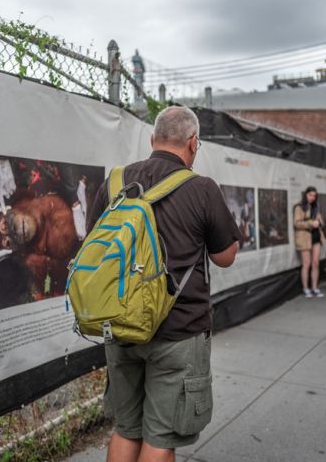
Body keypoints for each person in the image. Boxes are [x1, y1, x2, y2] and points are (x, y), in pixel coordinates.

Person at [86, 106, 240, 462]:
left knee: (126, 428)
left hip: (121, 324)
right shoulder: (201, 188)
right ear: (193, 143)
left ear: (152, 139)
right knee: (160, 436)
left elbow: (93, 245)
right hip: (179, 332)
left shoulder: (115, 181)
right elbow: (225, 256)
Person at [294, 186, 325, 298]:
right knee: (306, 264)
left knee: (315, 263)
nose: (312, 197)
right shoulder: (299, 207)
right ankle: (306, 288)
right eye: (310, 195)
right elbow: (297, 223)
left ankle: (315, 287)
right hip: (304, 237)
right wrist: (311, 223)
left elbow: (320, 221)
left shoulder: (316, 207)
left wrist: (319, 222)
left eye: (314, 196)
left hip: (316, 237)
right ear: (305, 195)